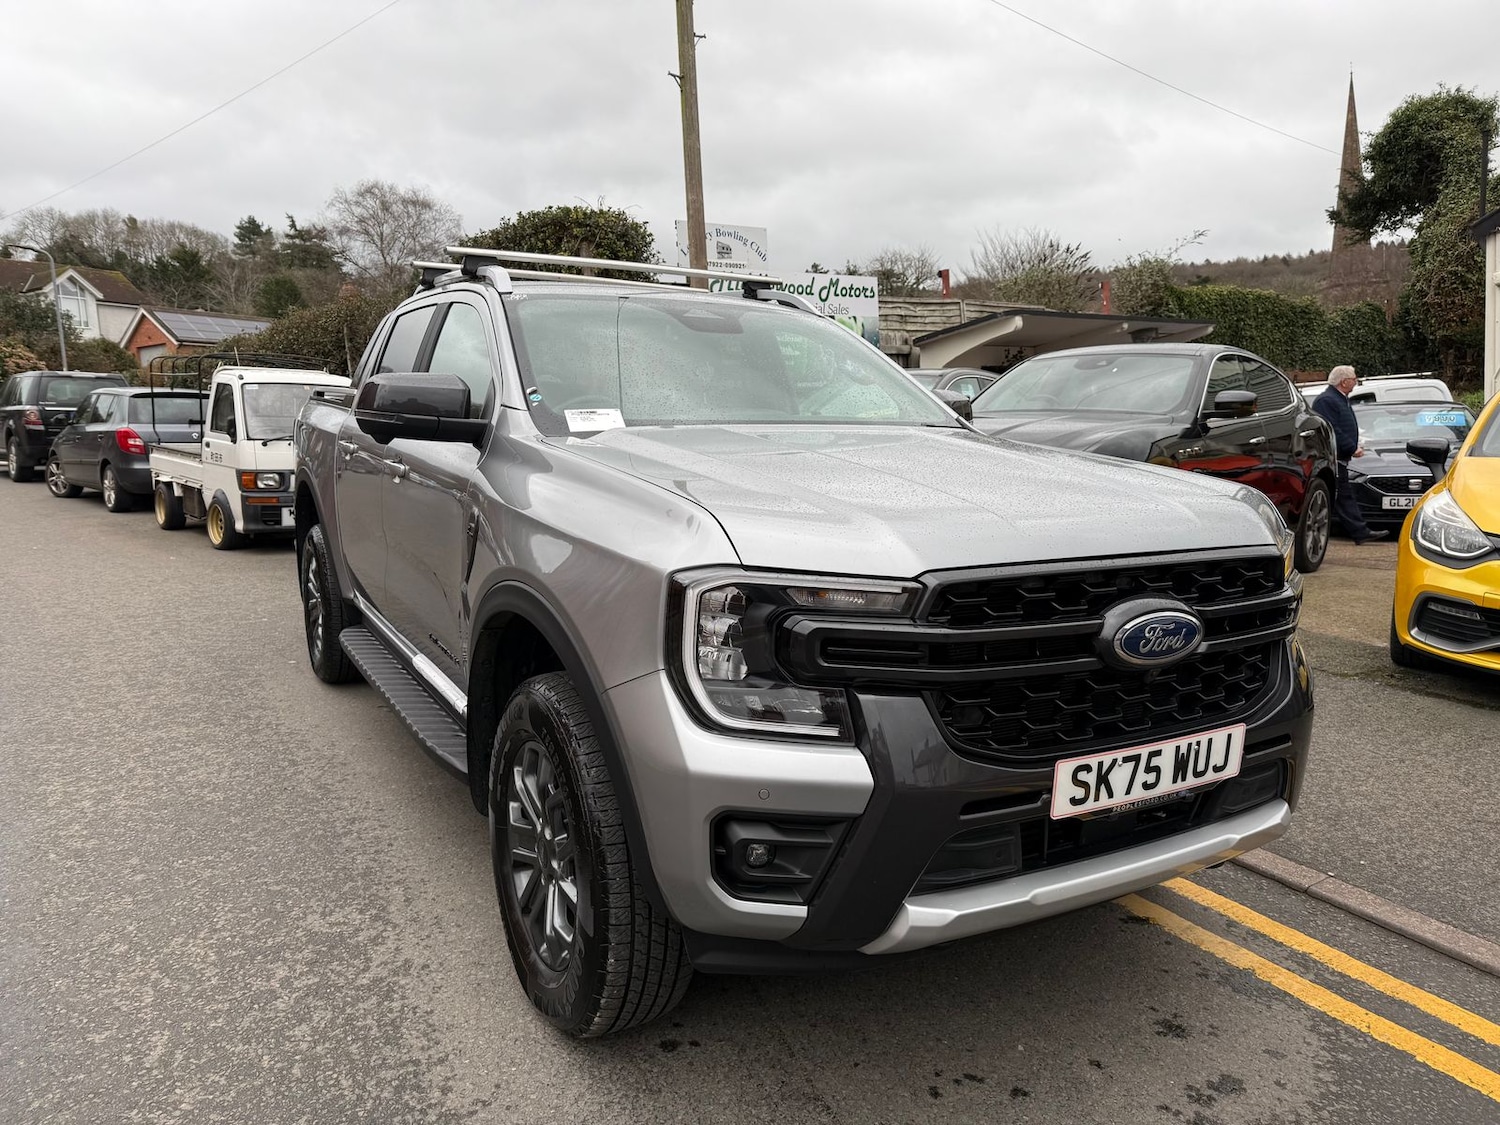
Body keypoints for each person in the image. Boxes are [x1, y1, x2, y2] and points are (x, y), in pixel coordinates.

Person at [1312, 365, 1388, 544]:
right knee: (1342, 497)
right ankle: (1359, 532)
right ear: (1344, 381)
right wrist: (1351, 447)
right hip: (1332, 459)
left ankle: (1359, 532)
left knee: (1343, 497)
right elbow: (1332, 429)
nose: (1356, 382)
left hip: (1339, 459)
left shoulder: (1338, 399)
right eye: (1354, 379)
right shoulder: (1327, 400)